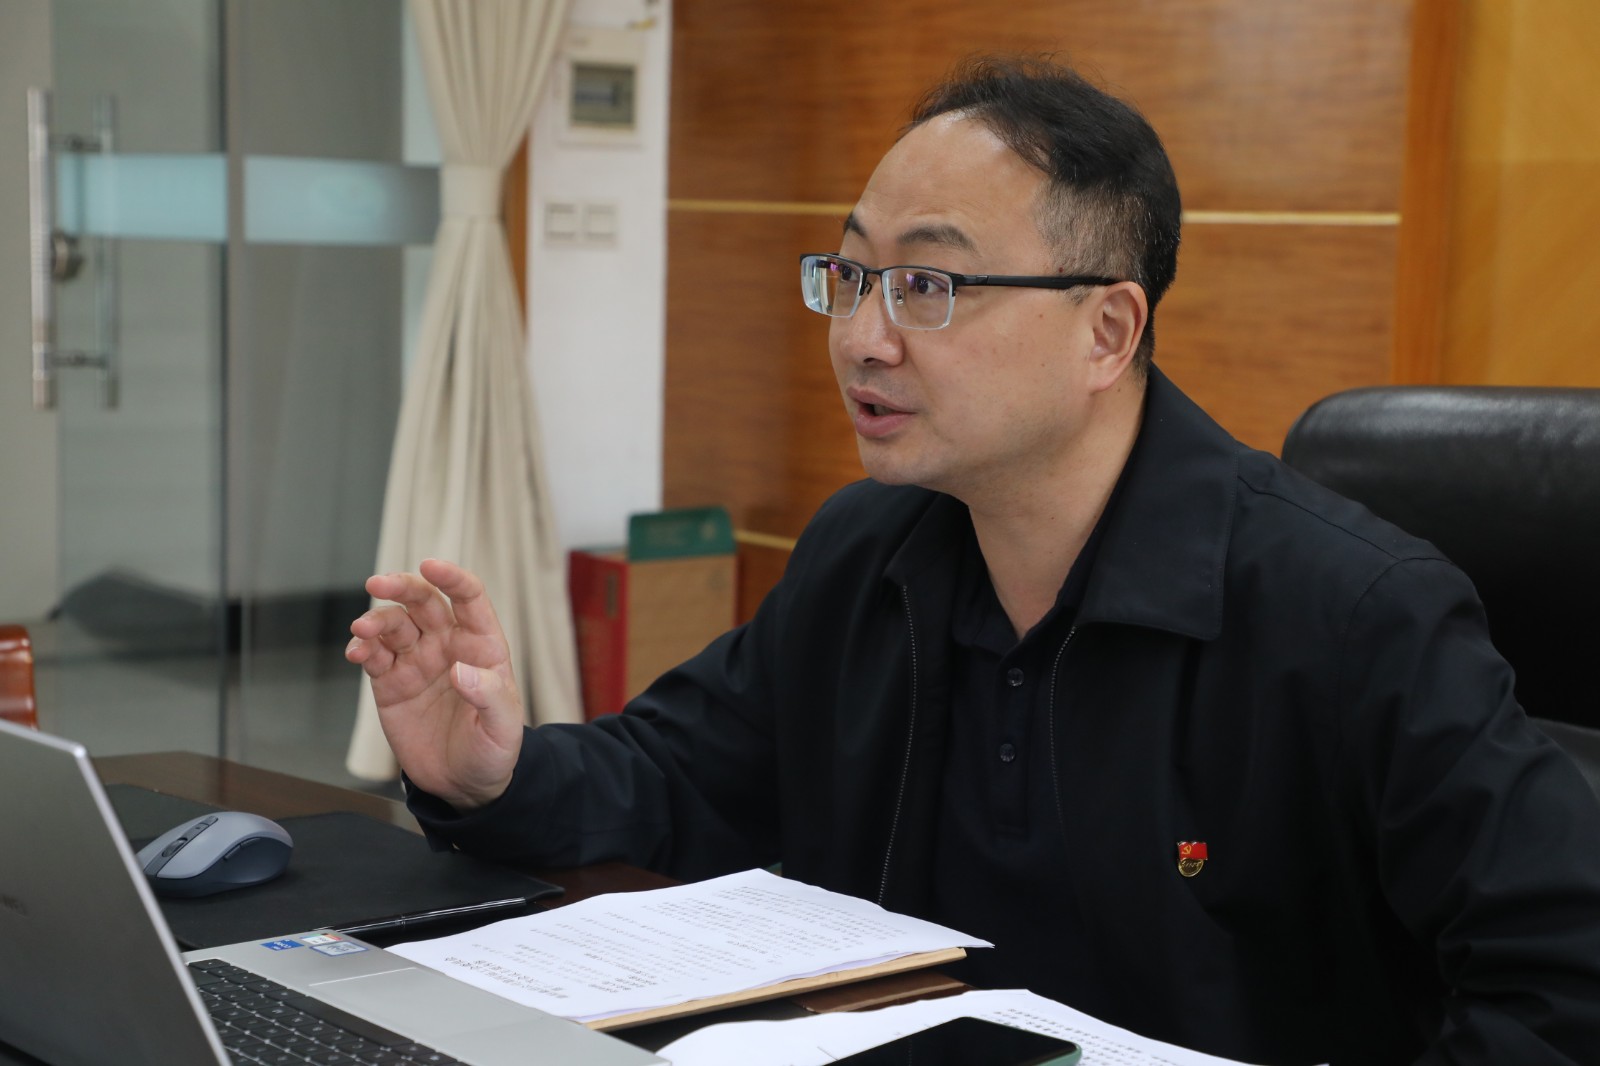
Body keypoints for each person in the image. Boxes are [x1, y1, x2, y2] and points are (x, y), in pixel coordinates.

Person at [347, 55, 1600, 1065]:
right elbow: (682, 777)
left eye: (928, 285)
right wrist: (495, 772)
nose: (863, 336)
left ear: (1107, 330)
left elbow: (1563, 980)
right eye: (850, 275)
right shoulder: (867, 548)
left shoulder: (1350, 612)